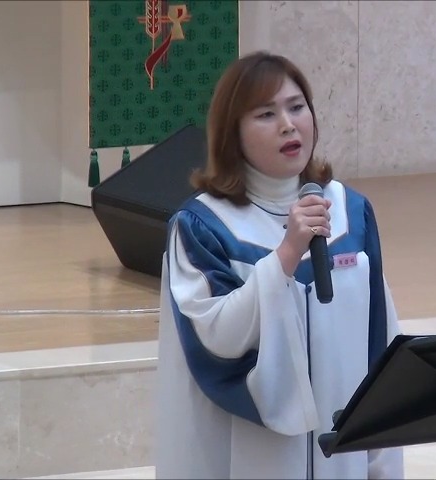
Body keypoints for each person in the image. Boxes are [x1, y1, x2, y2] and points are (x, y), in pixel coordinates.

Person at [153, 51, 405, 479]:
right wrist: (286, 256)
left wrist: (381, 462)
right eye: (266, 114)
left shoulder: (350, 212)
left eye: (296, 107)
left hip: (341, 459)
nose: (288, 125)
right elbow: (217, 339)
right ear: (232, 133)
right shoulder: (203, 227)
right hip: (252, 459)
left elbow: (378, 340)